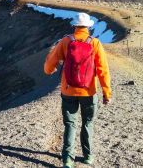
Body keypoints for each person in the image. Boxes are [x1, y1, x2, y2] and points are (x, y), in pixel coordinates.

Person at [44, 12, 112, 168]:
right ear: (88, 27)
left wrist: (49, 70)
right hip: (88, 92)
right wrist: (106, 93)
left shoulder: (66, 41)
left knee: (70, 124)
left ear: (74, 26)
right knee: (87, 123)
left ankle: (68, 159)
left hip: (68, 91)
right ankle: (88, 156)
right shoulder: (95, 43)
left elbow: (50, 63)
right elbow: (103, 70)